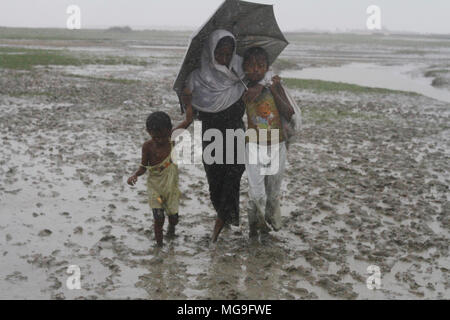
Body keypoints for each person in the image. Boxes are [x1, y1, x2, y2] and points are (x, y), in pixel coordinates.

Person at [183, 29, 250, 243]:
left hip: (235, 131)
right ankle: (226, 214)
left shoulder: (241, 71)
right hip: (210, 133)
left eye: (228, 53)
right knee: (215, 181)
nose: (224, 58)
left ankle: (218, 228)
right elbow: (191, 109)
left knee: (233, 176)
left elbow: (260, 84)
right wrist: (188, 101)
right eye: (220, 53)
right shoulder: (198, 77)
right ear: (211, 51)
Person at [242, 46, 297, 241]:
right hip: (254, 146)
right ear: (244, 68)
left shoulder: (274, 84)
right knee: (256, 194)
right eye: (251, 66)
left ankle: (265, 223)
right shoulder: (242, 87)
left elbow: (289, 112)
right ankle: (253, 229)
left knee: (272, 193)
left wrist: (272, 89)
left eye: (261, 66)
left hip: (276, 145)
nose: (256, 70)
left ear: (267, 67)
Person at [127, 104, 193, 247]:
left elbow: (188, 121)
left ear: (169, 130)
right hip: (155, 188)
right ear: (149, 132)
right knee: (158, 217)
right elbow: (143, 167)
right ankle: (159, 245)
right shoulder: (148, 147)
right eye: (156, 137)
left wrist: (189, 102)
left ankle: (172, 227)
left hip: (171, 188)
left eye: (163, 136)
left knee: (174, 218)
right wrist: (135, 175)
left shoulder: (172, 139)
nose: (160, 140)